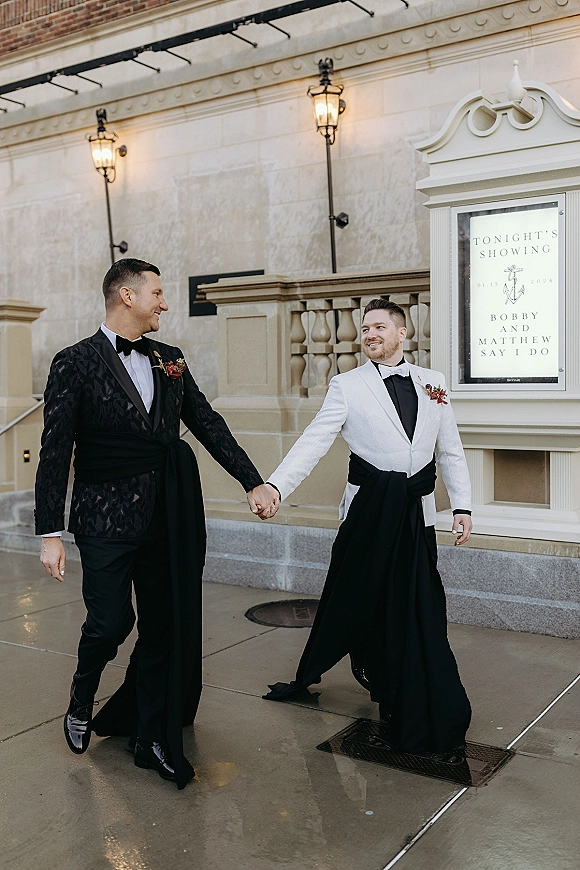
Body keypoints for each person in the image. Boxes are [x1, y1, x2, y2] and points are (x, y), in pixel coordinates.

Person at [35, 258, 276, 789]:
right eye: (157, 293)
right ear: (126, 295)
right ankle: (81, 697)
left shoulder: (171, 359)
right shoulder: (73, 362)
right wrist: (49, 531)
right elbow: (54, 451)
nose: (165, 303)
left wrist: (252, 480)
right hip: (103, 516)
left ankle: (151, 736)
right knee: (110, 623)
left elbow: (207, 422)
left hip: (168, 512)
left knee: (163, 625)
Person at [259, 299, 473, 762]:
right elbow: (314, 440)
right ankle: (373, 675)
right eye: (364, 328)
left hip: (417, 516)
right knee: (363, 602)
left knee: (415, 606)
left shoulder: (433, 384)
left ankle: (405, 688)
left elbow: (450, 450)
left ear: (402, 332)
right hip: (369, 517)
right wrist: (276, 485)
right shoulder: (347, 385)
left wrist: (462, 506)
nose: (368, 334)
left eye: (378, 326)